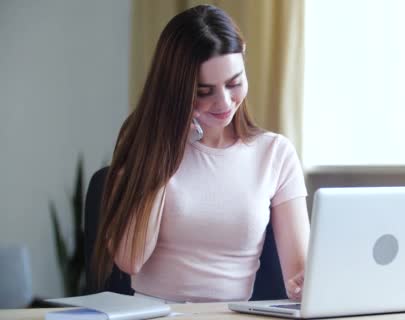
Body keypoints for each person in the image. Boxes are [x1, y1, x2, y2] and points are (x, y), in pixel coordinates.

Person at [91, 5, 309, 303]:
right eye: (204, 91)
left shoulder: (275, 153)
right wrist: (168, 149)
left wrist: (313, 282)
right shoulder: (146, 146)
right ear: (176, 88)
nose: (224, 102)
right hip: (159, 314)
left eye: (234, 83)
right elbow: (130, 260)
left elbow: (299, 275)